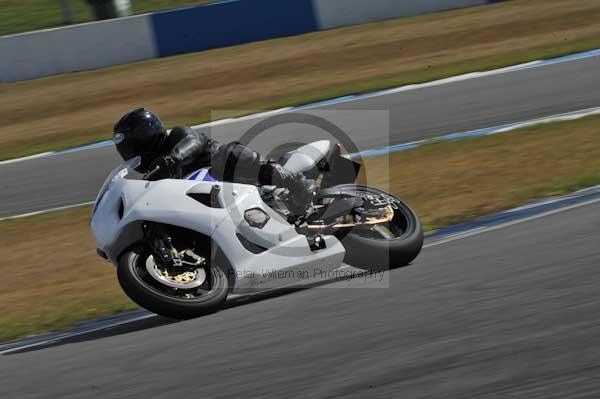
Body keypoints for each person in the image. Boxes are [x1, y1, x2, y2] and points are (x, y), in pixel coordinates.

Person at [113, 108, 315, 214]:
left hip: (220, 169)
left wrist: (173, 158)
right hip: (209, 200)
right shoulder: (153, 177)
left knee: (229, 154)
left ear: (146, 138)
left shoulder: (177, 136)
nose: (130, 153)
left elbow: (192, 142)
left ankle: (294, 182)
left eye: (133, 146)